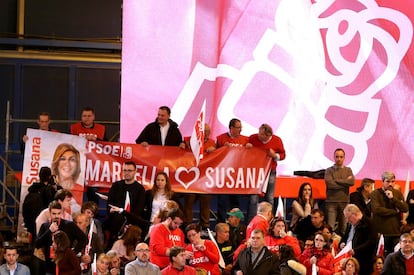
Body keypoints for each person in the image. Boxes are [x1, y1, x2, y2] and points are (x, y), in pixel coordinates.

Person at [34, 201, 87, 275]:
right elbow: (37, 244)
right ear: (49, 213)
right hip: (50, 267)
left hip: (66, 268)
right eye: (54, 213)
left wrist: (73, 253)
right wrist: (49, 231)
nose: (56, 216)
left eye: (58, 213)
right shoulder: (45, 226)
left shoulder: (69, 225)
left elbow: (84, 239)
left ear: (61, 213)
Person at [216, 118, 251, 222]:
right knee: (223, 200)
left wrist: (250, 148)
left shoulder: (246, 140)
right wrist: (221, 149)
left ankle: (236, 223)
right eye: (238, 127)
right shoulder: (221, 138)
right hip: (224, 175)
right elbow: (214, 156)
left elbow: (251, 156)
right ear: (231, 128)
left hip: (238, 176)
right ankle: (221, 223)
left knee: (236, 202)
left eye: (241, 127)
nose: (240, 130)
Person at [248, 123, 286, 219]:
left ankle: (269, 222)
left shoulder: (277, 140)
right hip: (256, 172)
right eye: (259, 133)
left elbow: (283, 155)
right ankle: (252, 221)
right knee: (253, 198)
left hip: (270, 171)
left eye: (262, 135)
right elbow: (245, 149)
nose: (259, 136)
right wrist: (247, 146)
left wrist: (274, 156)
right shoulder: (253, 138)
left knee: (269, 198)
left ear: (268, 135)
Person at [183, 123, 216, 231]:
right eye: (205, 131)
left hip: (205, 179)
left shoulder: (212, 143)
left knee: (205, 201)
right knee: (189, 200)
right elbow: (179, 151)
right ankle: (188, 225)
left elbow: (220, 156)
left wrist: (215, 150)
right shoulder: (188, 140)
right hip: (191, 179)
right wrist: (182, 146)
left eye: (208, 131)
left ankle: (205, 226)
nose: (207, 133)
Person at [105, 161, 147, 247]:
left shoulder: (140, 189)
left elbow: (138, 211)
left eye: (129, 170)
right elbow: (109, 206)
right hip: (115, 222)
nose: (126, 173)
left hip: (132, 223)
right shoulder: (116, 186)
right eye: (125, 170)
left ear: (135, 172)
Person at [370, 171, 408, 256]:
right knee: (381, 257)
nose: (390, 184)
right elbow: (377, 210)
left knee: (395, 257)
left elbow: (405, 208)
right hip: (381, 233)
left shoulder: (397, 193)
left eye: (392, 181)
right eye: (387, 181)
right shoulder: (375, 193)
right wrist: (395, 211)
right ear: (382, 182)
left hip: (395, 232)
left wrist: (393, 198)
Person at [324, 148, 355, 235]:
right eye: (337, 157)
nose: (339, 159)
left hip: (344, 202)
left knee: (344, 227)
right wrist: (345, 182)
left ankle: (344, 245)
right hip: (331, 202)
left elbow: (352, 182)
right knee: (330, 227)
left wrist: (337, 180)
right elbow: (330, 184)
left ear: (344, 158)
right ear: (334, 157)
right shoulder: (329, 170)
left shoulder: (348, 170)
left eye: (341, 157)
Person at [341, 204, 377, 274]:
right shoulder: (350, 224)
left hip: (362, 260)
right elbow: (345, 237)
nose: (347, 220)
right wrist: (342, 243)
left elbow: (372, 241)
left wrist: (356, 250)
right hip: (348, 258)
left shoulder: (369, 223)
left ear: (355, 214)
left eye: (348, 217)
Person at [23, 166, 57, 237]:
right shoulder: (49, 192)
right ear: (49, 177)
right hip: (44, 229)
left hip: (31, 227)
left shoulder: (31, 192)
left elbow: (25, 210)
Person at [51, 143, 83, 210]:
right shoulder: (49, 189)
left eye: (72, 160)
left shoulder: (80, 189)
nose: (67, 163)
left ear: (77, 165)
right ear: (56, 163)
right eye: (63, 159)